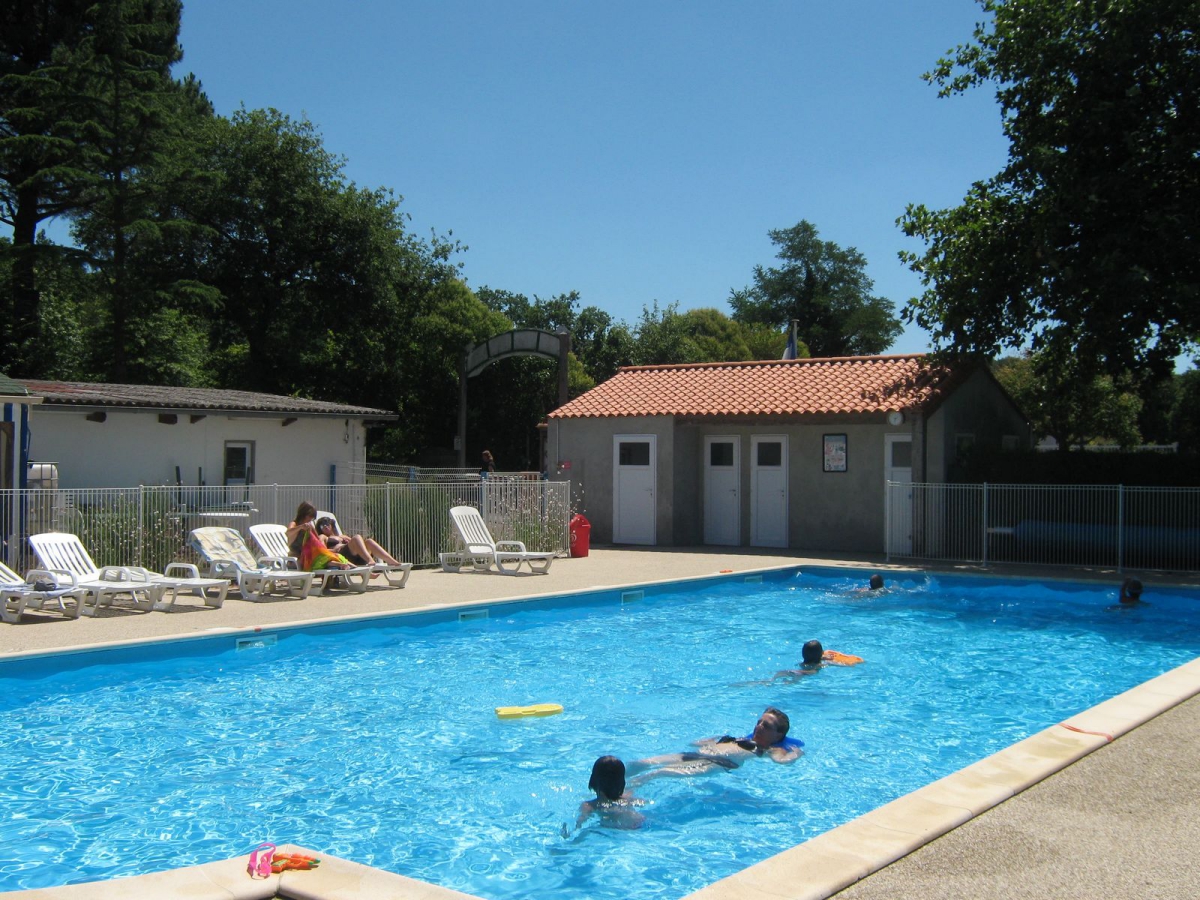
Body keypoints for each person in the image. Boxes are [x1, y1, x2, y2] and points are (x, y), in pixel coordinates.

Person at [627, 707, 803, 781]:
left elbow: (782, 761)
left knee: (658, 773)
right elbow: (694, 743)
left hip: (715, 763)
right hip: (698, 754)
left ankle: (623, 796)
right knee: (643, 763)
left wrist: (795, 754)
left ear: (778, 734)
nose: (759, 727)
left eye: (766, 726)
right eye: (759, 722)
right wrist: (713, 740)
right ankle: (614, 783)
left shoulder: (771, 749)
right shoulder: (739, 738)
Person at [565, 756, 646, 833]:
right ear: (622, 783)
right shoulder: (629, 798)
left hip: (611, 829)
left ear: (593, 780)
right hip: (637, 824)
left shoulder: (590, 805)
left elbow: (579, 824)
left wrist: (567, 833)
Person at [286, 501, 354, 571]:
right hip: (297, 559)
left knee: (334, 555)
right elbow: (288, 533)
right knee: (321, 559)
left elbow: (317, 542)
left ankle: (352, 567)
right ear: (303, 515)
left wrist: (330, 550)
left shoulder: (309, 527)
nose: (310, 520)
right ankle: (341, 565)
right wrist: (300, 527)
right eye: (310, 517)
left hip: (310, 556)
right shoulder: (294, 524)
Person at [315, 517, 402, 567]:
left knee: (369, 541)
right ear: (319, 529)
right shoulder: (323, 537)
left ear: (331, 525)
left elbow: (358, 543)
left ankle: (391, 561)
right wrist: (334, 550)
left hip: (356, 557)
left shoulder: (342, 536)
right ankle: (370, 560)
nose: (325, 526)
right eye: (322, 525)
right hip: (342, 556)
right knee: (356, 537)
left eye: (327, 523)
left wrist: (349, 542)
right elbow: (321, 551)